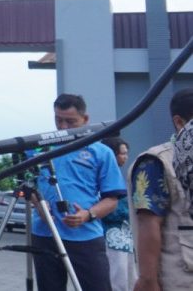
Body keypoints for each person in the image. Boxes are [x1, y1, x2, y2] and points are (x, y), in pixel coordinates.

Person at [28, 94, 125, 291]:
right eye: (58, 119)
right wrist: (38, 204)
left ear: (85, 119)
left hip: (85, 236)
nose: (63, 127)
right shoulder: (39, 149)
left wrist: (88, 214)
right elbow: (28, 186)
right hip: (45, 234)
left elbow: (112, 199)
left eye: (70, 121)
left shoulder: (101, 152)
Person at [129, 87, 193, 291]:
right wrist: (148, 280)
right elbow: (149, 224)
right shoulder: (156, 162)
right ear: (179, 122)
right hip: (180, 278)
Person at [99, 136, 134, 291]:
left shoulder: (119, 175)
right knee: (116, 280)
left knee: (128, 278)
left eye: (127, 153)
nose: (126, 157)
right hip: (110, 235)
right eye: (122, 153)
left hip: (125, 236)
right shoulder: (103, 176)